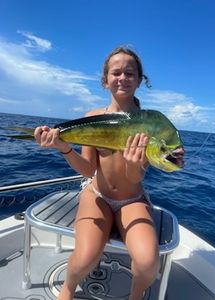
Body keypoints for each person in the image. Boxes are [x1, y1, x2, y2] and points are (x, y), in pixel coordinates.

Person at [34, 46, 161, 300]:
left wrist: (134, 164)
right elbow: (89, 169)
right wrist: (63, 148)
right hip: (98, 196)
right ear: (105, 81)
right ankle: (67, 290)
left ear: (139, 80)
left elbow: (136, 177)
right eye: (116, 73)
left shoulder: (148, 124)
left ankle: (136, 296)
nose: (122, 77)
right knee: (84, 261)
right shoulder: (92, 118)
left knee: (148, 265)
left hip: (132, 200)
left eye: (129, 73)